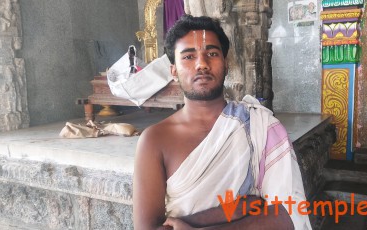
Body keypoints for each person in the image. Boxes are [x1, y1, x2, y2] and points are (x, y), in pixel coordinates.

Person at [132, 15, 312, 230]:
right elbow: (148, 227)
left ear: (226, 64)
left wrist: (195, 225)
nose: (202, 64)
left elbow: (287, 216)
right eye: (189, 57)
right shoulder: (154, 140)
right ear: (173, 71)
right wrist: (235, 210)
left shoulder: (259, 125)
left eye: (212, 54)